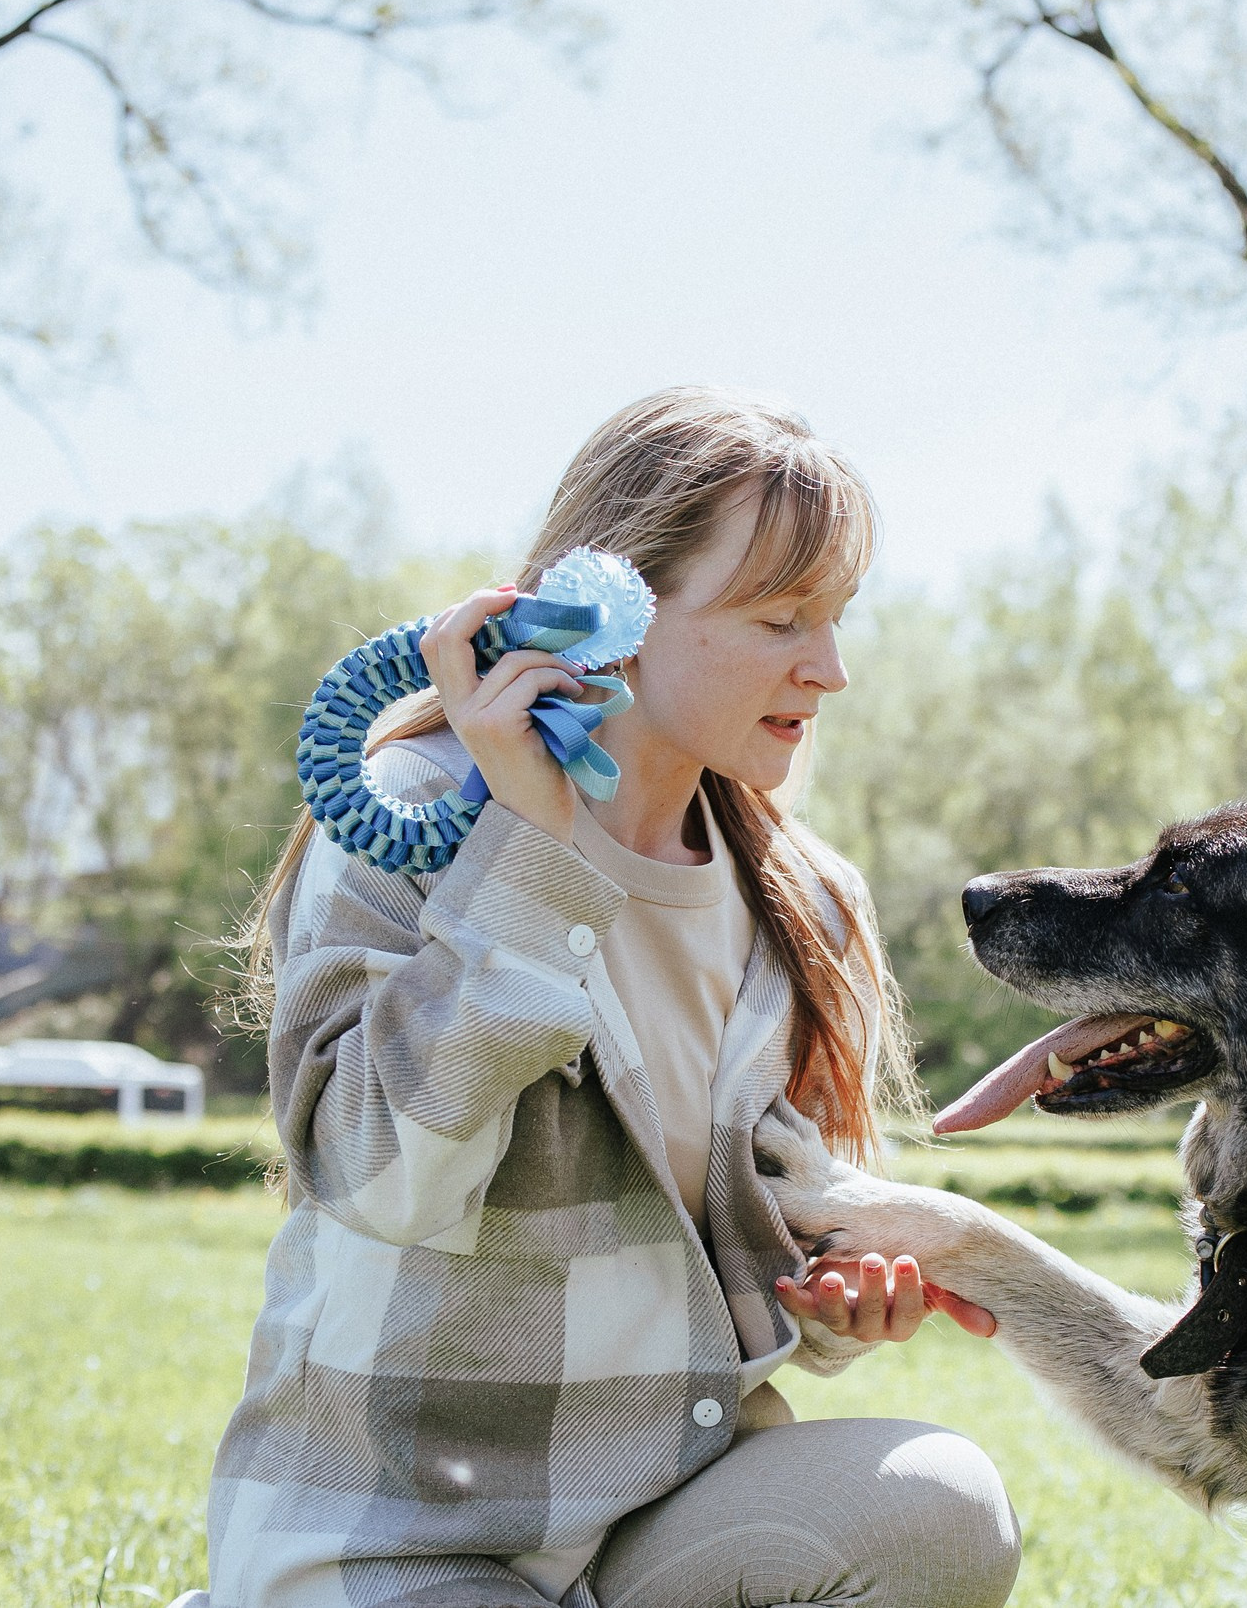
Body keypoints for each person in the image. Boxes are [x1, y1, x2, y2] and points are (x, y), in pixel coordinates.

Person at [201, 389, 1021, 1608]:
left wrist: (831, 1302)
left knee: (939, 1505)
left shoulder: (804, 897)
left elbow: (763, 1225)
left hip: (661, 1510)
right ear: (613, 613)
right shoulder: (408, 814)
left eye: (837, 617)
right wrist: (531, 849)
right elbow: (383, 1181)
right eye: (780, 616)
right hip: (401, 1529)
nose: (830, 667)